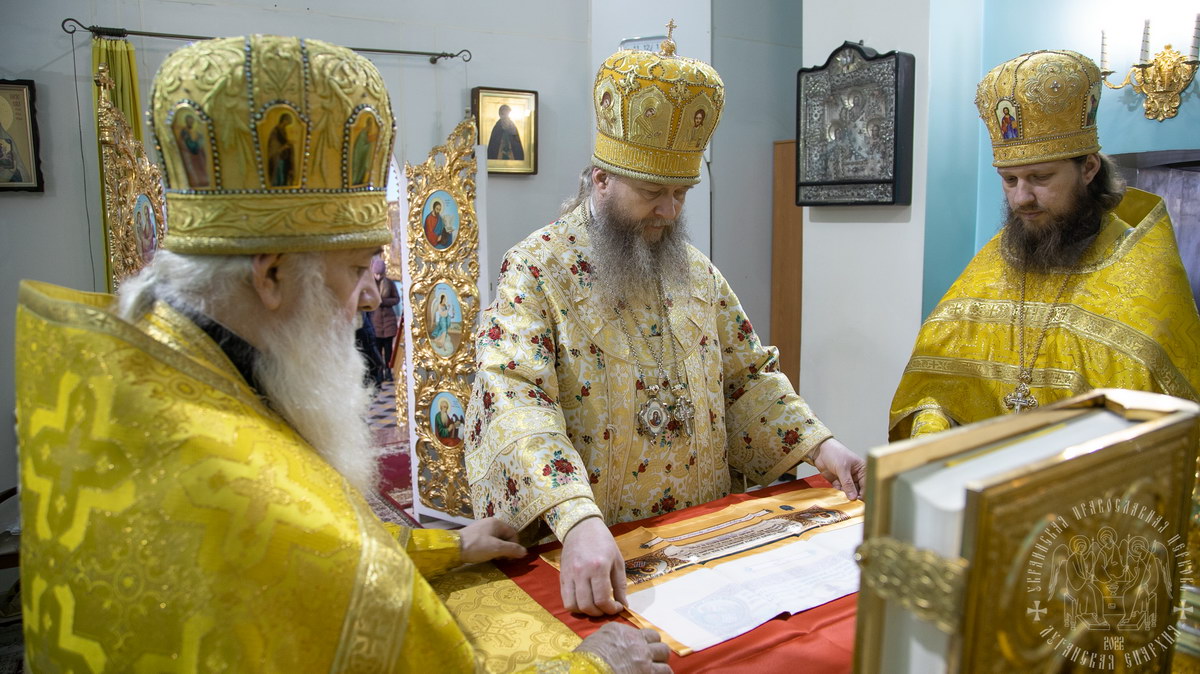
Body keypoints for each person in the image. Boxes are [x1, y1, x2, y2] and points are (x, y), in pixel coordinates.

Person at [14, 34, 669, 673]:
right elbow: (308, 541)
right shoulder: (264, 489)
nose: (368, 298)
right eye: (358, 267)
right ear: (269, 276)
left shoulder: (132, 371)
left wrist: (441, 546)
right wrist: (593, 668)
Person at [466, 26, 866, 618]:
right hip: (592, 547)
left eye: (682, 192)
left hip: (701, 540)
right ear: (601, 179)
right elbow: (516, 399)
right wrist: (576, 517)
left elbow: (747, 379)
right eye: (654, 191)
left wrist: (822, 446)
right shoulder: (535, 269)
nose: (670, 211)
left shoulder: (696, 274)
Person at [890, 49, 1200, 439]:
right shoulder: (992, 265)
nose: (1021, 198)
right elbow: (935, 386)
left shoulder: (1145, 275)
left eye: (1040, 177)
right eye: (1010, 180)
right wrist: (932, 429)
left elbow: (1171, 429)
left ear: (1088, 168)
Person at [370, 257, 400, 369]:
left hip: (388, 322)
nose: (378, 277)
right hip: (375, 323)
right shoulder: (370, 284)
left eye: (380, 274)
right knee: (376, 351)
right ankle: (379, 373)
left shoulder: (389, 283)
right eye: (376, 274)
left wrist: (383, 302)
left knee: (388, 351)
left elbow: (396, 299)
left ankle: (388, 371)